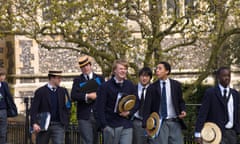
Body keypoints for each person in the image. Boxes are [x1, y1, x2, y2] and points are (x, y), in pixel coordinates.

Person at [143, 61, 187, 144]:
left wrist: (183, 110)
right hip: (159, 124)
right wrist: (146, 125)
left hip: (175, 122)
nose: (157, 71)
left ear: (167, 71)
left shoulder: (176, 85)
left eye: (160, 68)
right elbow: (147, 108)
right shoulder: (151, 88)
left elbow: (181, 101)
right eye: (156, 69)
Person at [96, 59, 138, 144]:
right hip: (110, 126)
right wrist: (104, 126)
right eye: (121, 69)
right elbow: (100, 108)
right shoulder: (105, 87)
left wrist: (129, 113)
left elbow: (137, 102)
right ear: (114, 70)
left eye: (125, 69)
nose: (123, 71)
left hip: (126, 125)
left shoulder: (130, 85)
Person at [195, 67, 240, 144]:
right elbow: (203, 113)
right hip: (215, 133)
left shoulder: (235, 94)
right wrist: (198, 133)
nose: (227, 78)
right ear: (218, 77)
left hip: (232, 133)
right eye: (224, 76)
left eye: (228, 76)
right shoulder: (210, 93)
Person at [71, 55, 104, 144]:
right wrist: (87, 96)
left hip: (98, 115)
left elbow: (105, 94)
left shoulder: (100, 78)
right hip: (84, 116)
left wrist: (98, 95)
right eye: (82, 67)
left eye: (86, 65)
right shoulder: (77, 80)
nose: (85, 68)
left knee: (96, 141)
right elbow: (73, 96)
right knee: (88, 141)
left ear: (90, 65)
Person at [30, 70, 71, 144]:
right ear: (52, 78)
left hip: (59, 125)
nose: (60, 80)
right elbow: (34, 109)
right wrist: (34, 123)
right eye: (58, 78)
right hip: (43, 125)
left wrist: (66, 119)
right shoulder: (40, 92)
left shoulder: (63, 91)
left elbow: (68, 106)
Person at [132, 67, 152, 144]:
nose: (144, 78)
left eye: (147, 76)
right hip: (137, 122)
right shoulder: (133, 89)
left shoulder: (154, 89)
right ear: (139, 77)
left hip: (151, 122)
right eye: (142, 76)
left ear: (150, 78)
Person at [0, 68, 17, 144]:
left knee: (3, 132)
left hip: (3, 111)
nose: (4, 77)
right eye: (2, 75)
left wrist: (12, 109)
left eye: (4, 75)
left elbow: (9, 97)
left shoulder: (5, 84)